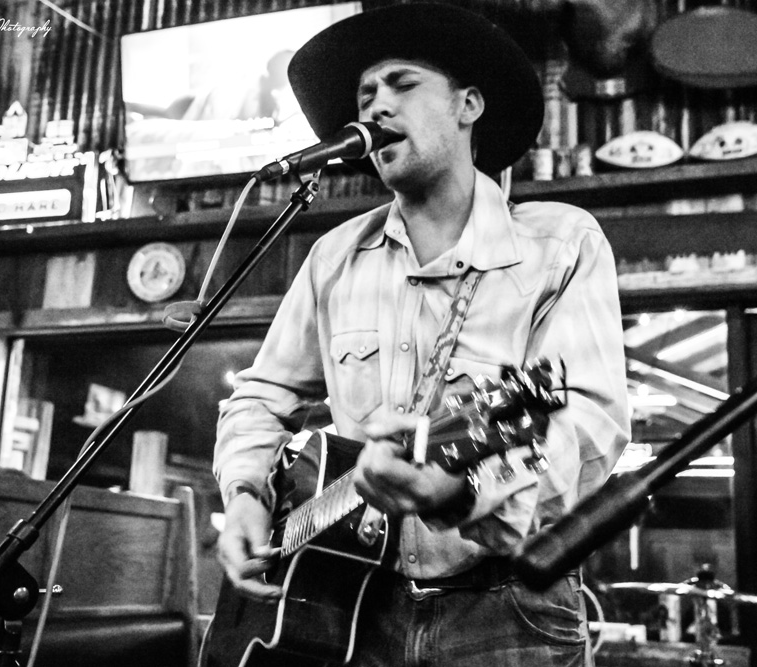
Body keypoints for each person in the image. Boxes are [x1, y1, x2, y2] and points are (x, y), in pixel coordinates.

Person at [213, 3, 630, 666]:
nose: (377, 105)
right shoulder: (333, 257)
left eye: (402, 84)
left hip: (508, 606)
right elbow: (260, 397)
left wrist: (463, 491)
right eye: (365, 96)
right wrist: (244, 497)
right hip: (355, 609)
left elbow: (588, 427)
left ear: (469, 105)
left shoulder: (559, 244)